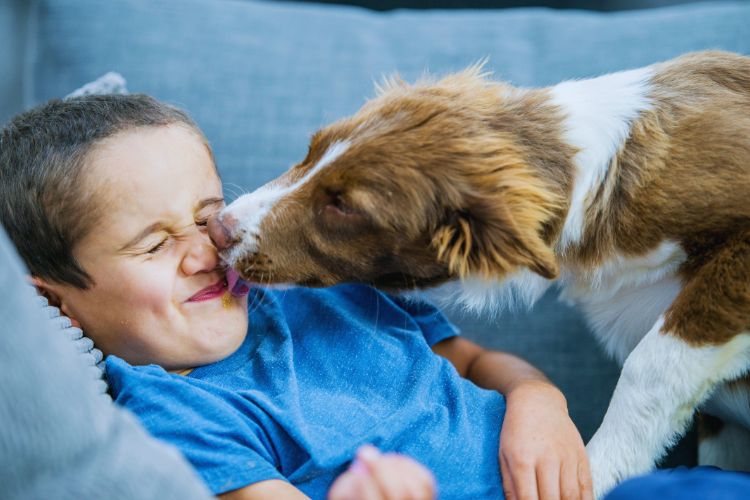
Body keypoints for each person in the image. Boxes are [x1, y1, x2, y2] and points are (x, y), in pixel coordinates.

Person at [0, 94, 592, 500]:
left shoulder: (325, 286)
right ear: (54, 305)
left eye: (209, 217)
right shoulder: (173, 412)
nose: (207, 252)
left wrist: (538, 401)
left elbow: (472, 361)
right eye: (153, 245)